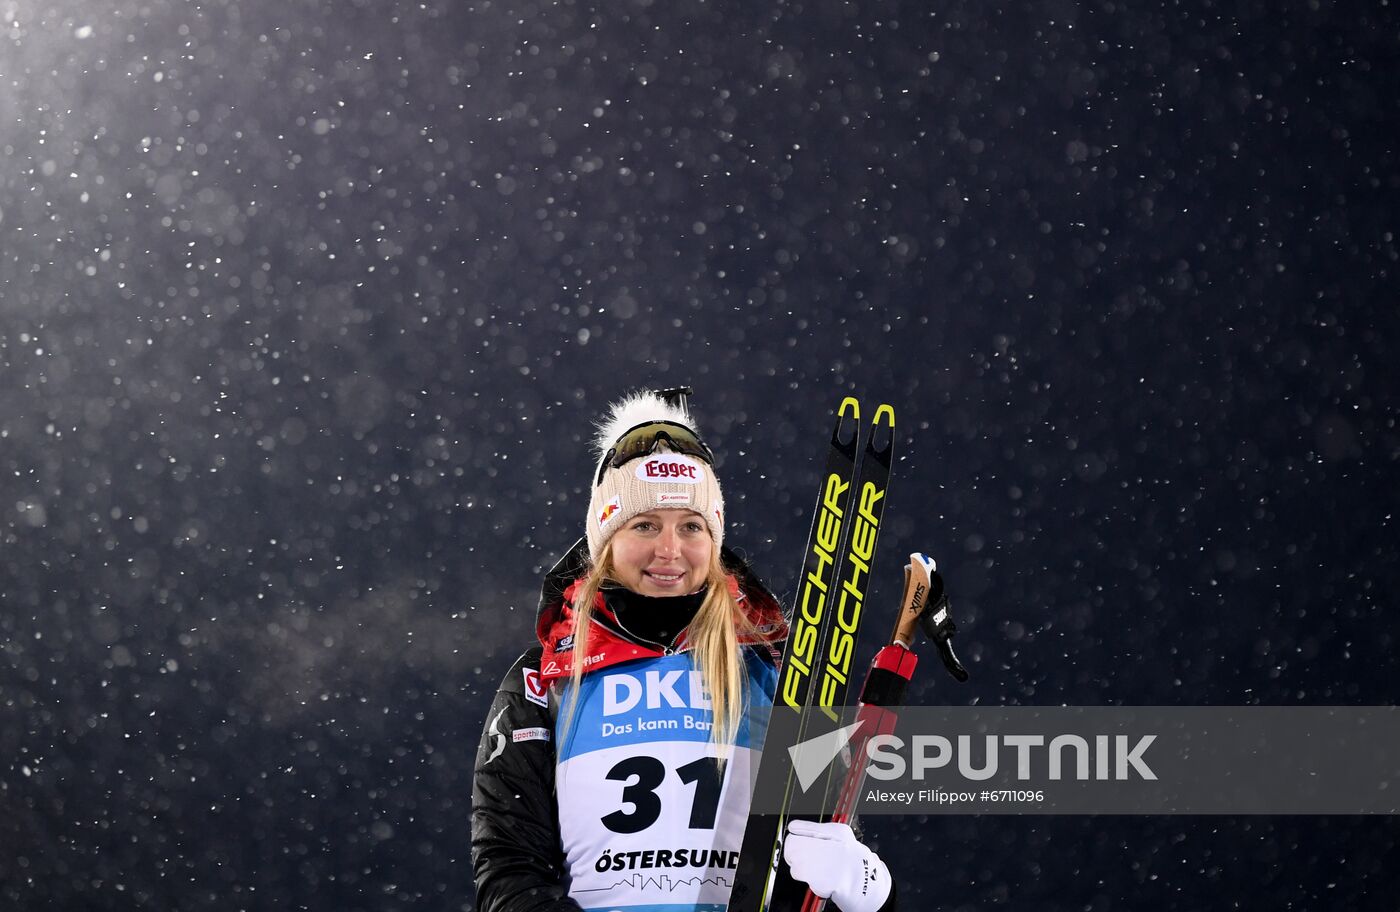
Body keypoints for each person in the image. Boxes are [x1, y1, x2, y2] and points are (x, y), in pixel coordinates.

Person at [471, 389, 897, 912]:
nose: (668, 550)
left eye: (691, 527)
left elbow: (824, 861)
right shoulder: (544, 679)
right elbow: (509, 869)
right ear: (604, 540)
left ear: (713, 540)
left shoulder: (780, 672)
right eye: (645, 524)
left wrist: (871, 890)